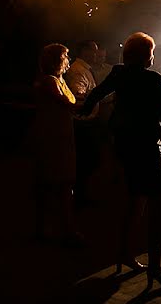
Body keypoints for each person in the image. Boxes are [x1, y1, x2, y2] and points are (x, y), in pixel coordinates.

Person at [81, 32, 161, 291]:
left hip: (124, 144)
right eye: (151, 52)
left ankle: (125, 254)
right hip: (147, 147)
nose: (154, 56)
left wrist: (82, 109)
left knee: (134, 198)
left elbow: (95, 94)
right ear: (145, 55)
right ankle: (155, 268)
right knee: (157, 206)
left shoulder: (118, 73)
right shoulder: (152, 79)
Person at [30, 43, 84, 245]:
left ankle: (54, 228)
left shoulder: (58, 80)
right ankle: (60, 229)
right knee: (55, 183)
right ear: (57, 60)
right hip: (52, 137)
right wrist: (93, 102)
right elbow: (66, 103)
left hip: (60, 136)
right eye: (65, 57)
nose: (68, 61)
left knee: (59, 183)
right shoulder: (49, 81)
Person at [65, 40, 101, 207]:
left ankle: (81, 194)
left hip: (88, 122)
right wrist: (96, 95)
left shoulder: (85, 70)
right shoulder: (78, 71)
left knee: (89, 161)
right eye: (94, 50)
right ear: (84, 51)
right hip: (82, 124)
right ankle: (78, 197)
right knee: (85, 161)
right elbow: (77, 94)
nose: (97, 53)